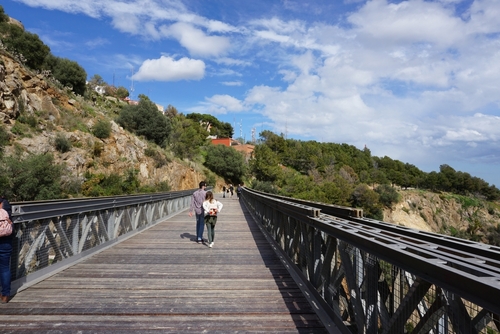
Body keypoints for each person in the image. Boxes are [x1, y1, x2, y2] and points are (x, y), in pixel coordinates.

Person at [0, 196, 13, 303]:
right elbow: (10, 221)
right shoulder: (5, 202)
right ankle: (5, 295)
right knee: (4, 267)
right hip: (5, 239)